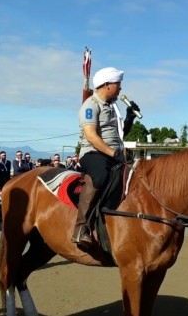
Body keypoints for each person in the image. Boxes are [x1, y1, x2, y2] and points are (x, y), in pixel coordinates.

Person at [71, 67, 139, 248]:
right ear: (107, 85)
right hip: (93, 153)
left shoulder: (113, 108)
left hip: (114, 153)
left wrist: (130, 118)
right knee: (100, 177)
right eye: (118, 84)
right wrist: (114, 153)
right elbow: (92, 137)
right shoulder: (90, 105)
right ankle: (81, 227)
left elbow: (119, 134)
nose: (120, 89)